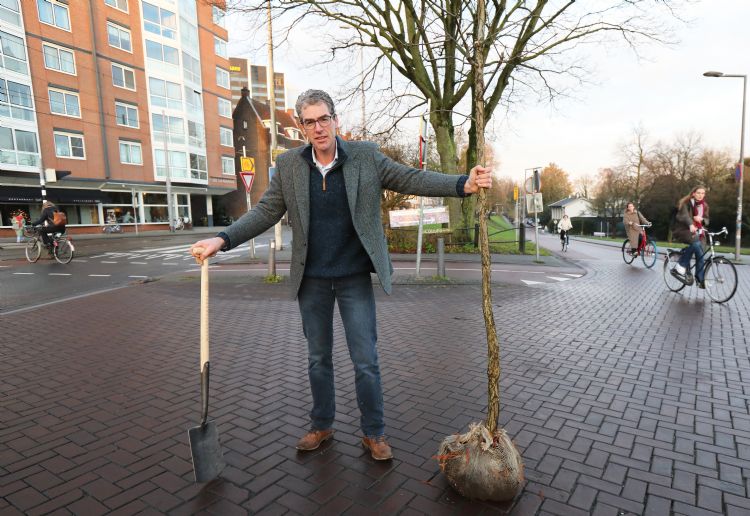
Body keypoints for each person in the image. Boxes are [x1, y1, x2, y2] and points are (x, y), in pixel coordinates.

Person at [190, 89, 493, 462]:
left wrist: (463, 184)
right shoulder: (289, 165)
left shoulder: (365, 157)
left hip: (353, 277)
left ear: (335, 120)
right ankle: (322, 425)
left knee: (365, 359)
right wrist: (222, 239)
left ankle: (374, 432)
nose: (318, 128)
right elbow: (265, 211)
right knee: (318, 358)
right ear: (302, 127)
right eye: (310, 122)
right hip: (312, 279)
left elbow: (411, 179)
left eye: (323, 119)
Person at [670, 185, 708, 288]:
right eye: (698, 193)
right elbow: (684, 216)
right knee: (696, 243)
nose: (700, 195)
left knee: (700, 254)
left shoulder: (704, 206)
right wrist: (691, 224)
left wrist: (702, 220)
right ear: (693, 193)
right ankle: (680, 267)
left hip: (698, 232)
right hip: (683, 230)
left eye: (703, 193)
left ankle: (699, 280)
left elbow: (707, 219)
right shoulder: (686, 203)